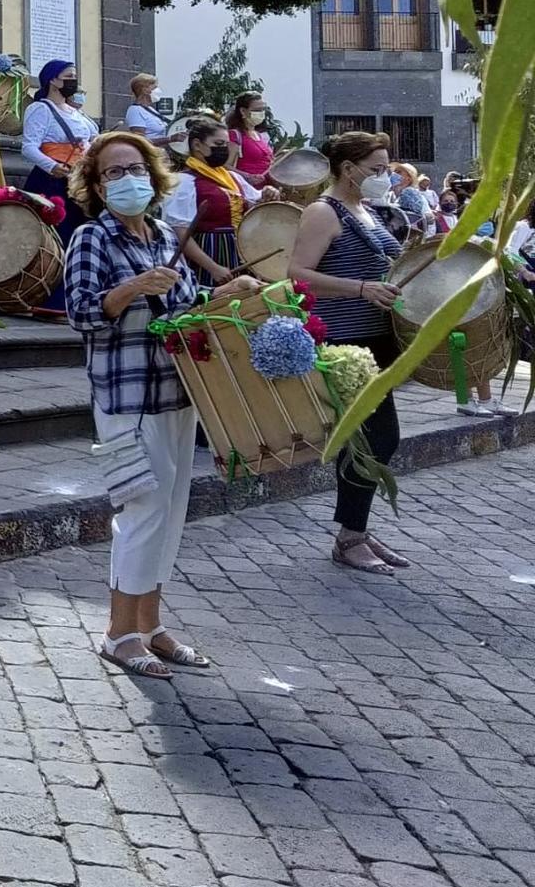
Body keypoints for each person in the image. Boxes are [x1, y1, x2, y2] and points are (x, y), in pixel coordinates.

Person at [65, 128, 260, 678]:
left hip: (179, 392)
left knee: (171, 514)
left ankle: (150, 625)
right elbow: (80, 313)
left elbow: (181, 305)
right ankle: (119, 632)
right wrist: (132, 289)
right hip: (126, 398)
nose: (126, 180)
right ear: (98, 187)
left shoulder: (158, 233)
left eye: (135, 170)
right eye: (113, 173)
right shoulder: (91, 239)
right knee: (141, 512)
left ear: (153, 178)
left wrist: (219, 295)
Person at [288, 131, 414, 574]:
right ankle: (349, 536)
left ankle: (355, 530)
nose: (384, 176)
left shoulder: (367, 210)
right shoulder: (324, 211)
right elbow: (297, 273)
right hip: (346, 337)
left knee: (374, 438)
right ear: (348, 169)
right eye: (376, 169)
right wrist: (360, 288)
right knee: (373, 437)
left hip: (377, 336)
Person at [20, 60, 98, 316]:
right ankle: (50, 301)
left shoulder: (77, 113)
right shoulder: (41, 109)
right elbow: (29, 146)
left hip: (79, 181)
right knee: (58, 238)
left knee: (80, 237)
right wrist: (52, 166)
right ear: (53, 80)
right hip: (52, 182)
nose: (73, 80)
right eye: (68, 76)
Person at [162, 117, 269, 282]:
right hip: (209, 254)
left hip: (239, 252)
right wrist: (212, 267)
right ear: (197, 145)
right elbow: (180, 232)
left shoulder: (232, 177)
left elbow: (256, 200)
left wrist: (269, 192)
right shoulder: (184, 182)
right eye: (219, 144)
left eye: (226, 144)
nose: (224, 149)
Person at [224, 92, 273, 185]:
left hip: (266, 190)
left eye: (263, 109)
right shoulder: (234, 135)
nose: (262, 113)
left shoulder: (260, 135)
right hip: (249, 191)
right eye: (257, 110)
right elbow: (225, 166)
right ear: (243, 111)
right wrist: (247, 176)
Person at [122, 72, 173, 148]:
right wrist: (170, 139)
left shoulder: (151, 110)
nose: (158, 91)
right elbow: (140, 141)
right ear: (145, 90)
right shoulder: (135, 111)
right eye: (154, 88)